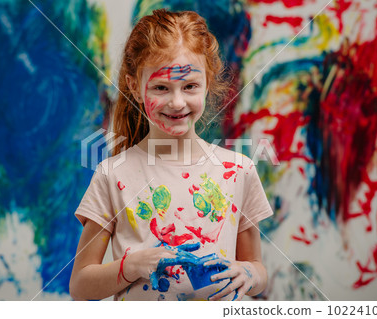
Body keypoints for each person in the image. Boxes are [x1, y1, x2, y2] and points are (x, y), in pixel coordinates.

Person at [69, 8, 274, 301]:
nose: (177, 102)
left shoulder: (239, 171)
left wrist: (250, 274)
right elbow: (80, 285)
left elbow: (257, 269)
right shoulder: (113, 175)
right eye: (161, 88)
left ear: (208, 81)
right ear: (134, 87)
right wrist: (132, 266)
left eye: (189, 86)